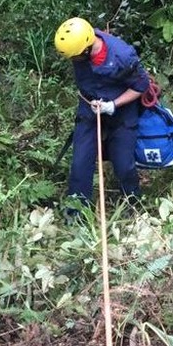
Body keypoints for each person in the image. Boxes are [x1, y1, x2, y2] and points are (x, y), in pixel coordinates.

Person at [53, 17, 151, 215]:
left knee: (124, 164)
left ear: (88, 48)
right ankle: (77, 211)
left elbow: (141, 87)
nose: (73, 61)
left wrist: (113, 105)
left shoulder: (122, 56)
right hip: (89, 106)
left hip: (121, 110)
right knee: (80, 161)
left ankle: (133, 205)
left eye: (75, 57)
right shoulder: (79, 46)